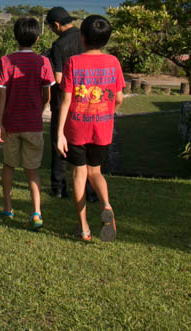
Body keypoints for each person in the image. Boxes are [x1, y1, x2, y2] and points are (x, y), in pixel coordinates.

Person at [55, 15, 125, 242]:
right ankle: (106, 204)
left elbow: (65, 100)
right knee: (96, 172)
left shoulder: (73, 63)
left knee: (78, 174)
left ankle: (84, 227)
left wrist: (59, 133)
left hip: (77, 127)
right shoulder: (113, 62)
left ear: (82, 38)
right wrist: (107, 110)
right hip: (102, 127)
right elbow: (119, 97)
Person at [0, 17, 55, 230]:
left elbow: (1, 96)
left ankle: (8, 207)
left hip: (11, 124)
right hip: (33, 124)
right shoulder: (43, 62)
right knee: (32, 169)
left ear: (15, 36)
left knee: (9, 165)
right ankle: (36, 212)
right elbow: (47, 94)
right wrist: (39, 109)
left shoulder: (5, 61)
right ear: (37, 38)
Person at [45, 6, 85, 199]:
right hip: (85, 97)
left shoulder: (59, 45)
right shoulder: (85, 37)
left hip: (63, 100)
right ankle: (90, 190)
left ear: (56, 25)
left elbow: (59, 79)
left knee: (59, 143)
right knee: (85, 144)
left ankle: (59, 187)